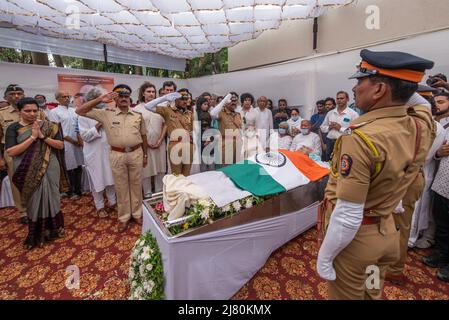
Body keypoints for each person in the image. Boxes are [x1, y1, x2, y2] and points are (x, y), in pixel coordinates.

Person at [316, 49, 435, 300]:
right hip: (388, 234)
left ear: (379, 89)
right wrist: (404, 87)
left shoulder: (360, 138)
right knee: (372, 293)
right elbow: (423, 104)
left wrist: (325, 257)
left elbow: (348, 213)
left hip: (357, 241)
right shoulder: (420, 124)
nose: (355, 88)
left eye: (360, 81)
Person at [76, 84, 148, 233]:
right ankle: (123, 217)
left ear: (130, 99)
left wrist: (145, 155)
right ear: (115, 99)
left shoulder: (138, 116)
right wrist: (101, 99)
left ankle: (137, 214)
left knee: (136, 185)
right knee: (121, 187)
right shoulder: (106, 113)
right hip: (117, 154)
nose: (123, 99)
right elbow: (80, 110)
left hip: (136, 153)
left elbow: (143, 136)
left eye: (126, 96)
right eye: (120, 96)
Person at [5, 97, 68, 249]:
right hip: (26, 168)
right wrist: (33, 137)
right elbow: (12, 151)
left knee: (52, 195)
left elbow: (60, 145)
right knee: (33, 199)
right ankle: (37, 233)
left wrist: (42, 136)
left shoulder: (49, 126)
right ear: (20, 111)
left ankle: (54, 228)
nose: (32, 113)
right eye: (27, 111)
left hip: (50, 165)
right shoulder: (13, 128)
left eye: (35, 110)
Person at [1, 84, 46, 224]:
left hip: (37, 149)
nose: (16, 96)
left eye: (19, 94)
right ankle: (23, 212)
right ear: (5, 97)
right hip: (13, 152)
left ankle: (40, 206)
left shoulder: (38, 112)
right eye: (12, 94)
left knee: (38, 178)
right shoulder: (2, 114)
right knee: (17, 182)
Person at [422, 90, 449, 282]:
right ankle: (442, 255)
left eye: (442, 101)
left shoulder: (438, 127)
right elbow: (438, 154)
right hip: (442, 182)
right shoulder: (445, 128)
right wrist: (439, 153)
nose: (438, 105)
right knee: (442, 223)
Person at [78, 88, 117, 218]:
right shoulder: (83, 114)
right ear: (93, 99)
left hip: (109, 150)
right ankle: (99, 206)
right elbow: (85, 136)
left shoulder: (108, 111)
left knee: (110, 178)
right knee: (97, 181)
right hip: (93, 153)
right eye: (101, 97)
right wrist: (100, 124)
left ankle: (113, 202)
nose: (104, 101)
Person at [144, 89, 194, 176]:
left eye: (186, 99)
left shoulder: (189, 114)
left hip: (188, 145)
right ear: (176, 99)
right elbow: (148, 106)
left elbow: (191, 130)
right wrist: (164, 98)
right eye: (182, 99)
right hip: (175, 144)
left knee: (186, 175)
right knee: (176, 175)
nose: (185, 101)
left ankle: (184, 190)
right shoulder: (167, 110)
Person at [49, 91, 84, 199]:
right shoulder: (54, 112)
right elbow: (56, 130)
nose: (67, 98)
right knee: (68, 167)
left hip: (77, 142)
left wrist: (79, 140)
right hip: (65, 143)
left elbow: (79, 125)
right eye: (64, 97)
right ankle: (70, 191)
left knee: (79, 165)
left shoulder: (74, 111)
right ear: (57, 99)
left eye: (68, 96)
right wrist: (72, 140)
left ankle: (79, 189)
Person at [134, 82, 167, 197]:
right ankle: (147, 193)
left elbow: (165, 124)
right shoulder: (137, 109)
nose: (151, 94)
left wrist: (160, 140)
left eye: (153, 91)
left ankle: (159, 192)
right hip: (144, 145)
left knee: (160, 168)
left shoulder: (161, 107)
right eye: (148, 91)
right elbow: (135, 128)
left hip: (160, 144)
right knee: (146, 170)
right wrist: (145, 143)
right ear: (143, 93)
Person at [320, 92, 359, 161]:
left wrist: (340, 128)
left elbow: (355, 132)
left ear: (347, 99)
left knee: (342, 162)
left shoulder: (353, 114)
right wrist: (329, 127)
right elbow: (322, 128)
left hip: (343, 142)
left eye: (342, 98)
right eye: (337, 98)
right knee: (329, 162)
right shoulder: (330, 113)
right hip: (330, 142)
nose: (339, 100)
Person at [210, 93, 242, 166]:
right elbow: (212, 114)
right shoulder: (221, 113)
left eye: (235, 101)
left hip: (237, 143)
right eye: (231, 101)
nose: (233, 103)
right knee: (226, 168)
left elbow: (240, 129)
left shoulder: (238, 114)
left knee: (236, 167)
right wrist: (223, 101)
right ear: (226, 102)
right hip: (226, 144)